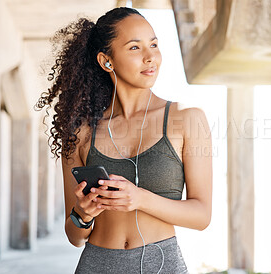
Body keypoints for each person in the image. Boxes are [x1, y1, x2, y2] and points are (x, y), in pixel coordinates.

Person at [35, 6, 212, 274]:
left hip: (162, 265)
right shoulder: (80, 132)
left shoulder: (186, 119)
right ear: (107, 61)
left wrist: (139, 198)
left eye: (154, 44)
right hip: (96, 265)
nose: (151, 57)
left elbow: (202, 216)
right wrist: (82, 214)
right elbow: (74, 236)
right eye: (135, 48)